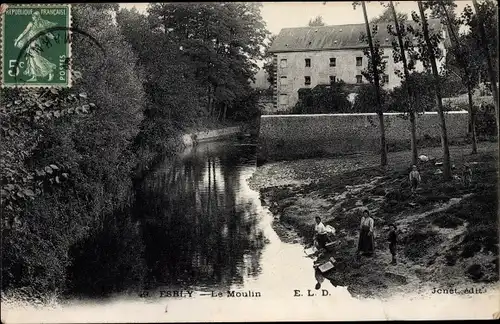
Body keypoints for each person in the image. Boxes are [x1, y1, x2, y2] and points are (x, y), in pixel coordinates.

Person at [14, 11, 57, 82]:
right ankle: (34, 77)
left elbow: (47, 33)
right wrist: (17, 40)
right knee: (31, 60)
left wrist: (53, 37)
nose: (33, 17)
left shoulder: (40, 25)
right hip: (29, 43)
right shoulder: (31, 24)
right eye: (32, 16)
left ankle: (49, 71)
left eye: (34, 16)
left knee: (37, 60)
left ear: (37, 17)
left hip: (36, 44)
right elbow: (24, 32)